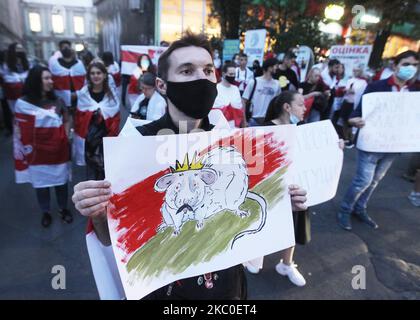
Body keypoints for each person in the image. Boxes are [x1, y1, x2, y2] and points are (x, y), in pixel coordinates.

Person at [72, 32, 307, 300]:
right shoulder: (134, 145)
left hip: (227, 288)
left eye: (208, 70)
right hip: (165, 291)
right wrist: (97, 212)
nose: (202, 78)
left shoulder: (229, 137)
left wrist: (283, 202)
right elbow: (109, 238)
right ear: (162, 85)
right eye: (187, 70)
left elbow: (250, 202)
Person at [337, 50, 420, 231]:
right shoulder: (377, 87)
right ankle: (345, 209)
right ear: (395, 65)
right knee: (363, 180)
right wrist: (354, 121)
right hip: (371, 143)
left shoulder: (415, 92)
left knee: (375, 181)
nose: (410, 69)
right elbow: (355, 114)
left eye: (414, 65)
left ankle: (360, 208)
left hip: (393, 145)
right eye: (406, 64)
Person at [243, 91, 309, 286]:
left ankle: (287, 264)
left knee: (292, 228)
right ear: (287, 107)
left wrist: (335, 144)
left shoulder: (304, 130)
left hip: (295, 191)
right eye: (300, 104)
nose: (305, 108)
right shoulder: (264, 130)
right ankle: (255, 256)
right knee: (263, 224)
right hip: (271, 193)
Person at [14, 65, 72, 227]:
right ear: (35, 81)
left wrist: (65, 136)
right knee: (41, 185)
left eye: (51, 78)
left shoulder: (57, 100)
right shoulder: (22, 104)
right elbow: (19, 127)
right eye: (46, 78)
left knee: (61, 183)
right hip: (36, 153)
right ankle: (45, 211)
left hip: (58, 151)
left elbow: (67, 118)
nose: (51, 81)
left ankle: (63, 209)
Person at [73, 60, 120, 180]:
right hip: (89, 140)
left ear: (105, 75)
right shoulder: (84, 93)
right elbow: (79, 117)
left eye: (98, 73)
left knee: (107, 170)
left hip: (107, 138)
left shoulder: (111, 94)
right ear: (88, 76)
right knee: (92, 172)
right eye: (92, 73)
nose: (95, 76)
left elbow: (115, 115)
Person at [242, 58, 281, 126]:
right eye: (276, 66)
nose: (277, 68)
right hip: (253, 120)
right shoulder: (254, 82)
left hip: (269, 121)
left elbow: (278, 103)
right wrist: (244, 121)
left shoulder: (277, 84)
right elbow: (243, 101)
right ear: (269, 67)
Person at [50, 40, 86, 109]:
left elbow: (84, 82)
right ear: (60, 49)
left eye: (67, 47)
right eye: (63, 47)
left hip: (78, 99)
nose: (66, 49)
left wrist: (77, 94)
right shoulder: (55, 64)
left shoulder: (79, 63)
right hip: (61, 100)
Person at [338, 64, 368, 148]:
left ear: (361, 71)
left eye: (357, 70)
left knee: (350, 122)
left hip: (353, 104)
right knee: (343, 121)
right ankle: (345, 138)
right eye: (354, 70)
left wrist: (352, 91)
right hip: (346, 102)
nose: (355, 72)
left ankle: (351, 139)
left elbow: (360, 93)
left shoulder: (363, 82)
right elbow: (346, 90)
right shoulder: (350, 80)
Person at [213, 62, 244, 128]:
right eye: (231, 74)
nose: (233, 76)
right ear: (224, 74)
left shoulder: (236, 89)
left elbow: (240, 108)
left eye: (234, 74)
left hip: (235, 128)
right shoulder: (216, 89)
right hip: (219, 127)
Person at [2, 43, 30, 114]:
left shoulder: (26, 63)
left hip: (26, 94)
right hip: (13, 95)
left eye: (21, 48)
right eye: (17, 48)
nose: (20, 51)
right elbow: (7, 78)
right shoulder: (6, 64)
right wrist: (20, 78)